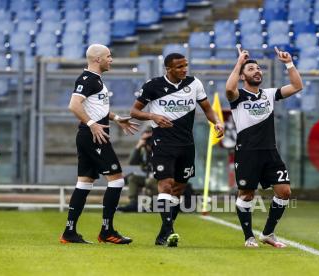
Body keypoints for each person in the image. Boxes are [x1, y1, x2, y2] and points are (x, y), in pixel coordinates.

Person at [130, 53, 224, 247]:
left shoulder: (194, 84)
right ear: (169, 69)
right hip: (163, 143)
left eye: (185, 66)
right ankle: (169, 231)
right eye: (179, 66)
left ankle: (164, 232)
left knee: (178, 189)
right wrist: (153, 116)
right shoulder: (153, 86)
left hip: (186, 144)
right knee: (166, 184)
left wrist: (216, 122)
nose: (184, 69)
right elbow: (134, 112)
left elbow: (207, 108)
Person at [59, 44, 139, 244]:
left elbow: (95, 108)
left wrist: (117, 118)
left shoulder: (95, 80)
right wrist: (92, 124)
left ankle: (69, 232)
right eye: (108, 56)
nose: (111, 59)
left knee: (84, 183)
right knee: (117, 179)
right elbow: (73, 105)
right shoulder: (89, 80)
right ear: (97, 59)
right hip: (93, 136)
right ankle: (107, 231)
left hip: (89, 135)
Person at [225, 46, 303, 248]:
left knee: (284, 191)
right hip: (247, 152)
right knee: (246, 194)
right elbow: (228, 89)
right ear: (243, 76)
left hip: (270, 152)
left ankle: (268, 233)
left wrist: (288, 63)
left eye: (258, 69)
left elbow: (296, 86)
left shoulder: (269, 94)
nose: (257, 71)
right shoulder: (238, 96)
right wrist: (239, 62)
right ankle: (249, 236)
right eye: (251, 69)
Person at [118, 127, 158, 212]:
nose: (149, 141)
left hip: (159, 176)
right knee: (132, 178)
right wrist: (138, 147)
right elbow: (132, 163)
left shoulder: (160, 146)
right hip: (146, 175)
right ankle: (133, 203)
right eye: (146, 137)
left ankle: (154, 205)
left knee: (150, 181)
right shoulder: (142, 149)